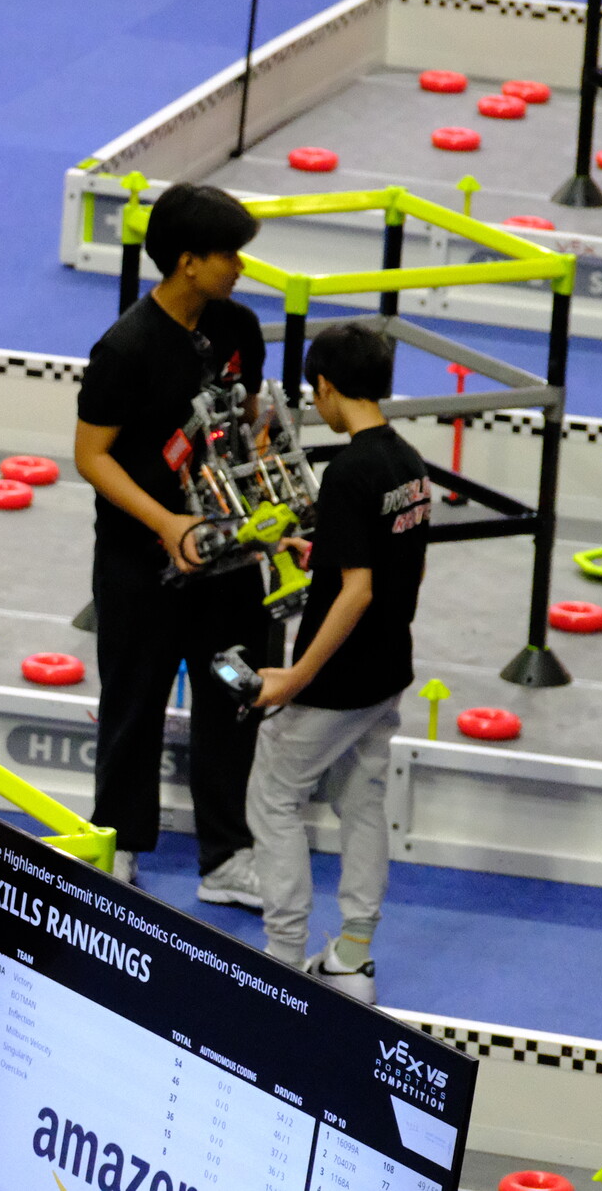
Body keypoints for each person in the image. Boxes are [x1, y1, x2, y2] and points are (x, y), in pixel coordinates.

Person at [73, 183, 267, 903]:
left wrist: (264, 500)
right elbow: (91, 456)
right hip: (139, 561)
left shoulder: (241, 326)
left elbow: (249, 422)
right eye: (228, 254)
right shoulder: (124, 348)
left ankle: (226, 858)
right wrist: (166, 522)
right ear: (188, 261)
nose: (240, 266)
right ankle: (118, 843)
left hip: (228, 559)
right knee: (134, 701)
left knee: (234, 697)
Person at [246, 323, 430, 1004]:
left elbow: (358, 590)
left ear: (325, 386)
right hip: (389, 668)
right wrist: (318, 554)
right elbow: (399, 563)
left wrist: (296, 678)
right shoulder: (410, 463)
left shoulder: (349, 472)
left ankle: (282, 957)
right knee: (361, 798)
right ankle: (352, 955)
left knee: (273, 792)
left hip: (340, 679)